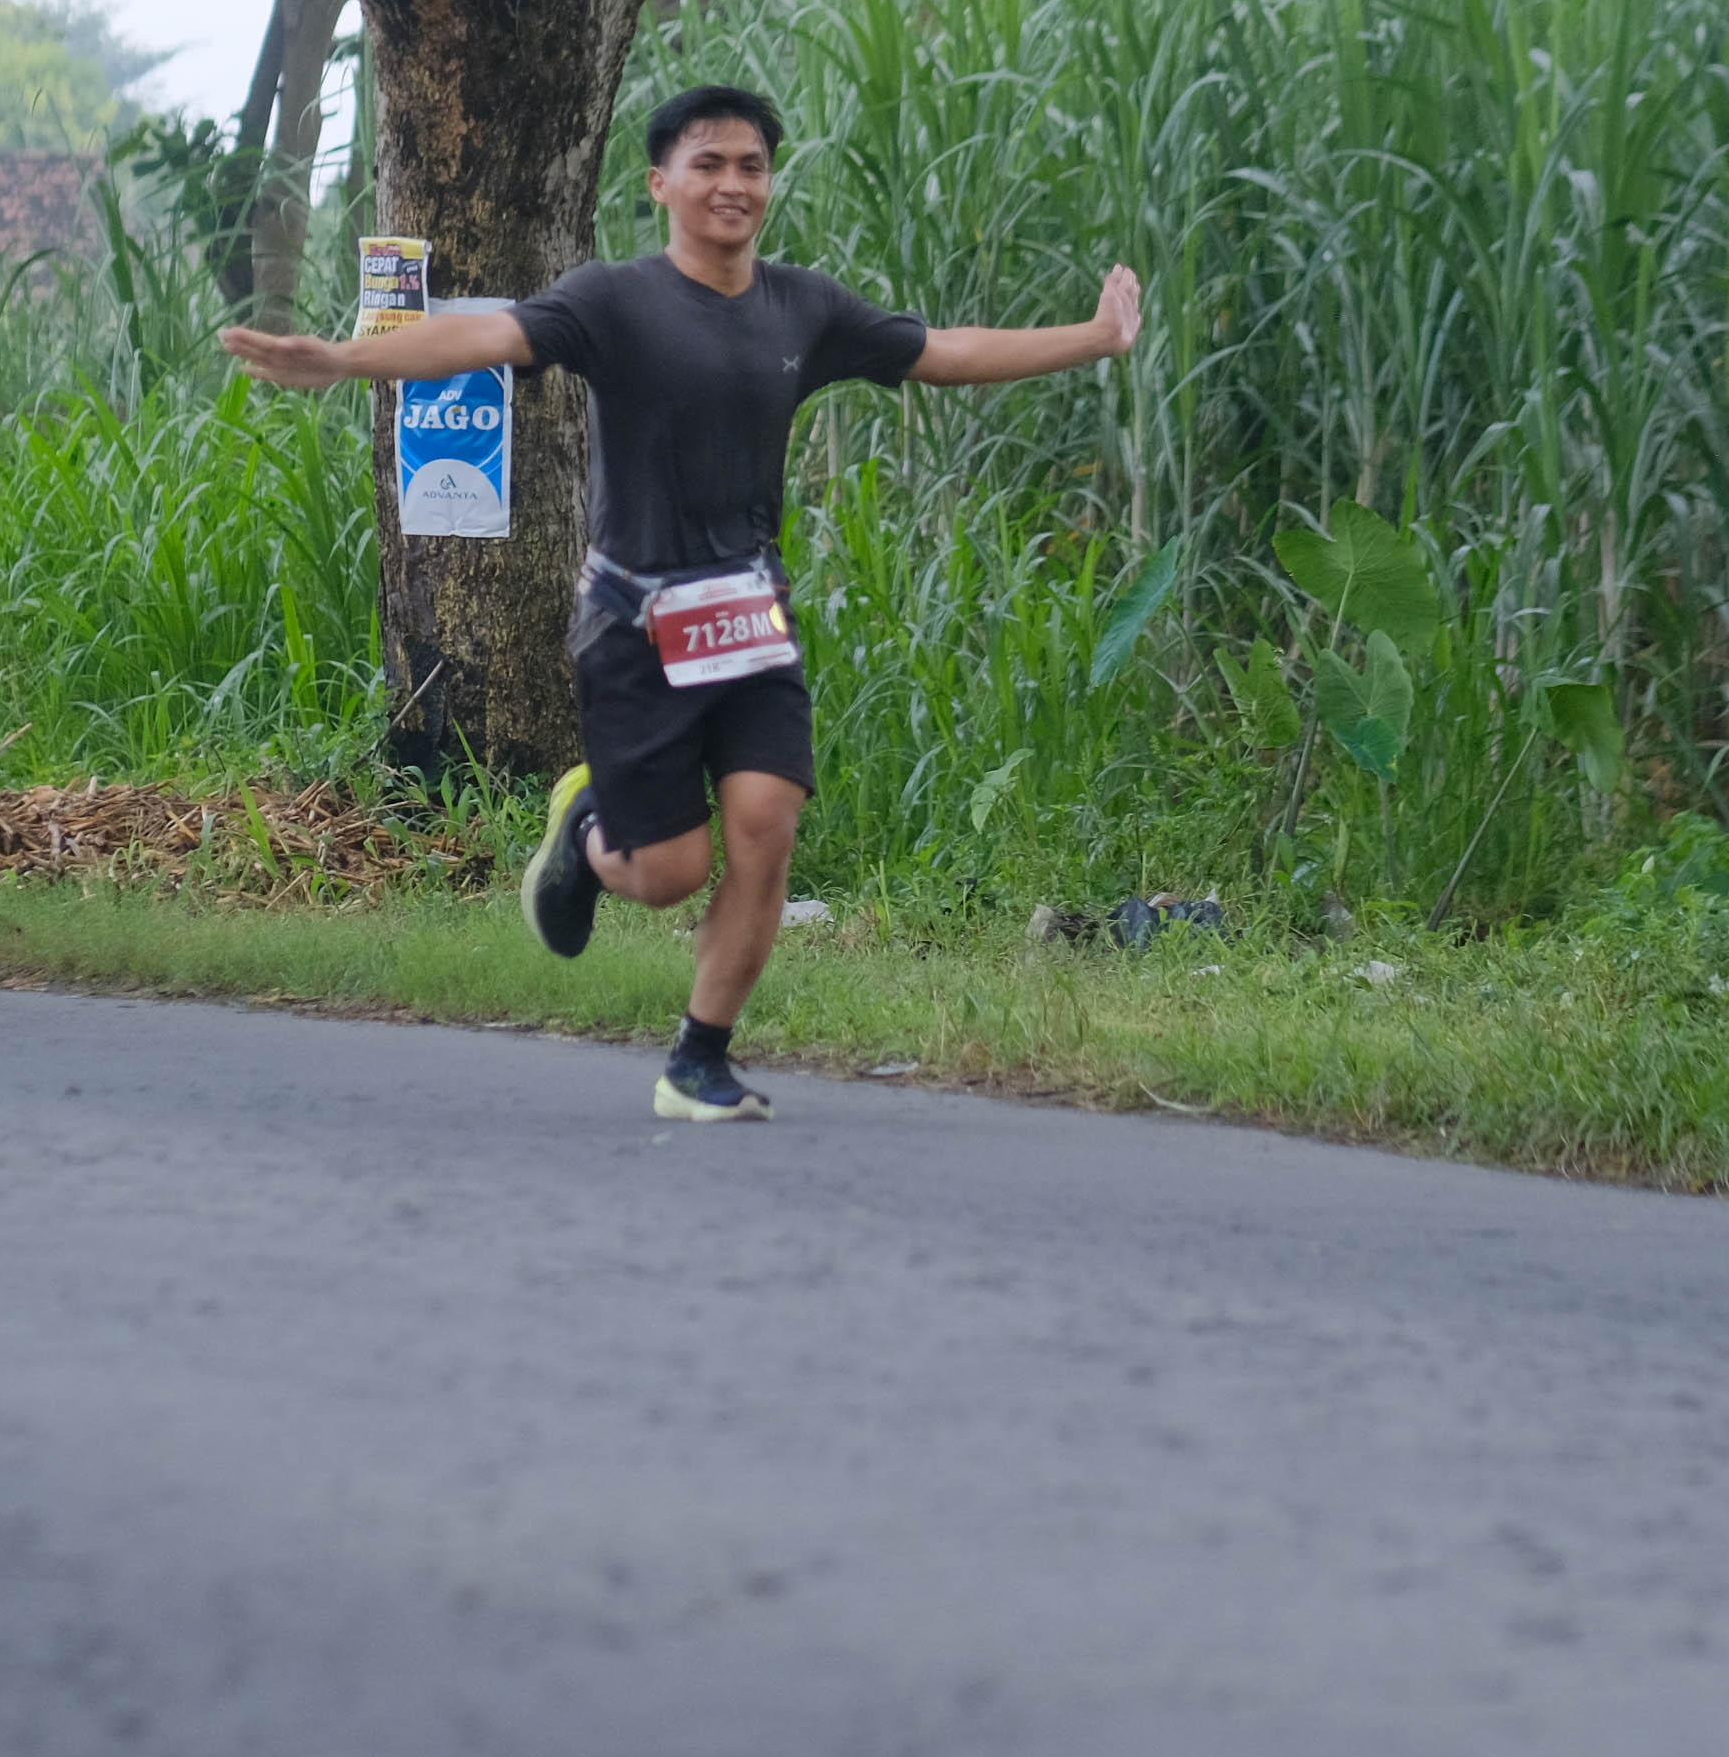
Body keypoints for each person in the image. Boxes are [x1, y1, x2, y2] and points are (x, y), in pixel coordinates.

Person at [222, 83, 1142, 1122]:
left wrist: (1095, 336)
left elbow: (947, 353)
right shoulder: (615, 301)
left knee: (766, 825)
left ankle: (698, 1061)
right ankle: (589, 828)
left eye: (752, 166)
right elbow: (481, 341)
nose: (732, 184)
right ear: (661, 184)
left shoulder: (805, 308)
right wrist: (345, 360)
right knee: (666, 872)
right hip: (635, 625)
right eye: (709, 165)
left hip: (751, 623)